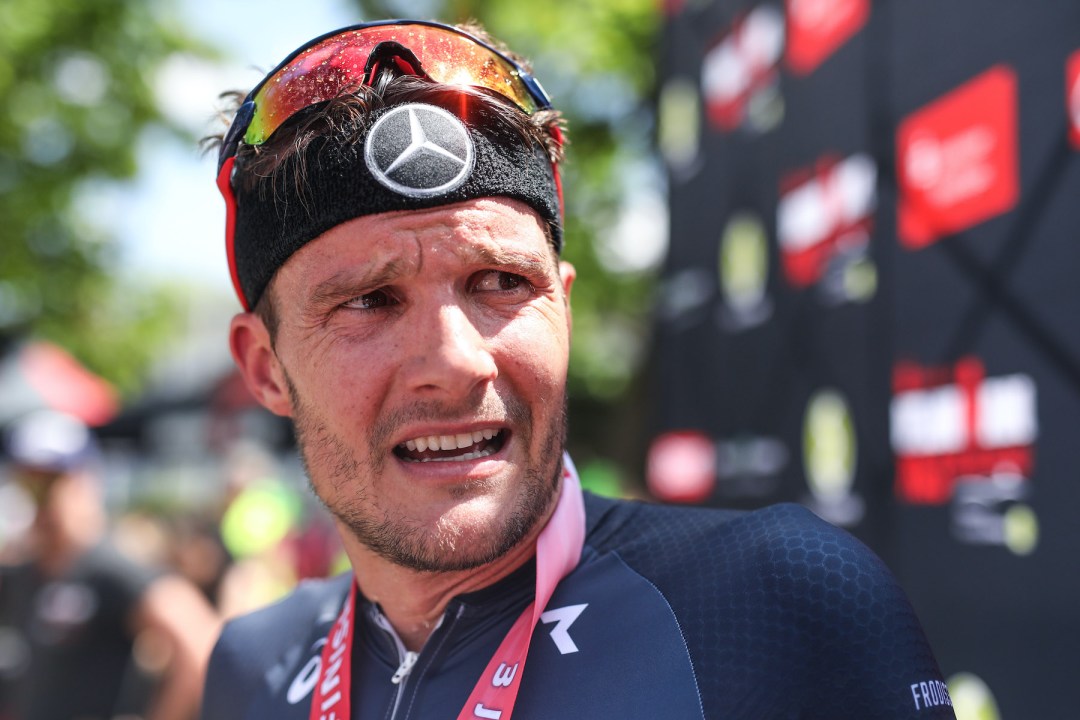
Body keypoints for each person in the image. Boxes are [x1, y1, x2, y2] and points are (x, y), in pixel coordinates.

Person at [201, 20, 956, 719]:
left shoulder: (778, 599)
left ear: (562, 307)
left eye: (501, 283)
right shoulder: (250, 664)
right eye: (370, 300)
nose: (457, 362)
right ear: (265, 369)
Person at [0, 410, 221, 720]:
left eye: (51, 482)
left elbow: (200, 644)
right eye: (31, 484)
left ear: (84, 482)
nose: (42, 500)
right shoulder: (24, 572)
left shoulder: (111, 566)